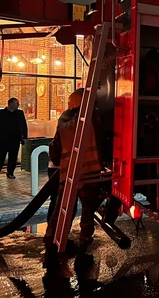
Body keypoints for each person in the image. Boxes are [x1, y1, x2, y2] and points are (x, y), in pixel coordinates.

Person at [44, 89, 104, 256]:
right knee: (88, 211)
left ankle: (52, 237)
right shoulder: (96, 119)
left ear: (75, 103)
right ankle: (85, 241)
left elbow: (55, 147)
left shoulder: (65, 121)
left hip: (69, 173)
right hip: (91, 174)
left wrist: (57, 162)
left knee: (62, 209)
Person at [0, 97, 28, 179]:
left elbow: (23, 125)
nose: (18, 105)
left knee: (13, 157)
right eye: (17, 103)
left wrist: (25, 137)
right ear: (11, 104)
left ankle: (10, 173)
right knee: (1, 157)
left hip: (15, 139)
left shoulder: (19, 113)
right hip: (3, 140)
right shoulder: (1, 113)